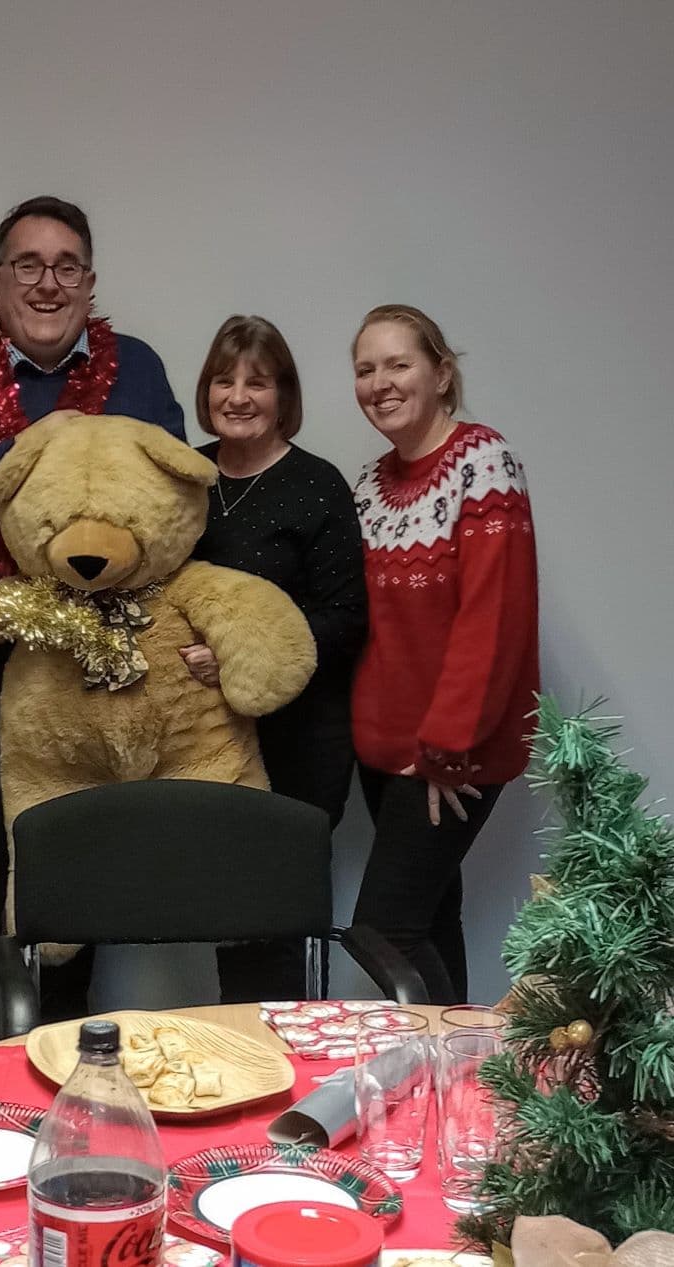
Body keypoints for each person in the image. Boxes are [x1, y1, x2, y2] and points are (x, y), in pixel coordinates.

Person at [0, 195, 185, 1046]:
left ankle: (69, 1065)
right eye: (28, 264)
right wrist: (30, 457)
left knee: (70, 867)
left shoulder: (140, 373)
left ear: (90, 283)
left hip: (84, 663)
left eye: (65, 266)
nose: (47, 283)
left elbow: (166, 509)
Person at [349, 303, 539, 1004]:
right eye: (365, 369)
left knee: (383, 930)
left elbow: (494, 619)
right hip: (385, 757)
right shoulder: (368, 485)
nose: (380, 383)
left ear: (441, 372)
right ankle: (453, 1098)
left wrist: (444, 747)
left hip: (445, 757)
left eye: (398, 364)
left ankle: (462, 1068)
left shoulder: (484, 463)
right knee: (429, 918)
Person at [181, 314, 368, 1001]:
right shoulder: (188, 476)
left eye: (256, 382)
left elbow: (347, 619)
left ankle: (294, 1071)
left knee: (282, 916)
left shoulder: (317, 483)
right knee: (230, 906)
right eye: (224, 380)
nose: (238, 395)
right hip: (211, 734)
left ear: (283, 393)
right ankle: (242, 1061)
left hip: (301, 737)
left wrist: (235, 656)